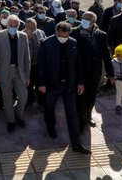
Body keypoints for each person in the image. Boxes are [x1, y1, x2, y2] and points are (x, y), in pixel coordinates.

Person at [37, 21, 90, 154]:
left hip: (69, 86)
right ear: (56, 31)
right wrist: (41, 83)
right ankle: (51, 127)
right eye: (62, 36)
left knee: (72, 114)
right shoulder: (46, 43)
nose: (64, 39)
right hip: (51, 85)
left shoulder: (73, 43)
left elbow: (78, 64)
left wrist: (80, 82)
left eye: (66, 37)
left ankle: (76, 143)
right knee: (49, 109)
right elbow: (41, 65)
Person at [70, 11, 113, 128]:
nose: (84, 20)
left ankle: (88, 115)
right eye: (83, 18)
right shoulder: (74, 33)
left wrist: (110, 74)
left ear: (93, 21)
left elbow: (106, 56)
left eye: (87, 19)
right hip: (80, 71)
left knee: (92, 95)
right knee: (80, 96)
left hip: (95, 72)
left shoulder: (101, 35)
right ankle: (81, 120)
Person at [0, 15, 31, 133]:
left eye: (15, 26)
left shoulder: (23, 36)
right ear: (6, 25)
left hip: (19, 71)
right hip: (4, 72)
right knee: (7, 99)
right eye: (11, 25)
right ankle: (11, 121)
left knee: (23, 96)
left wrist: (27, 75)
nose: (13, 27)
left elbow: (26, 58)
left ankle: (19, 116)